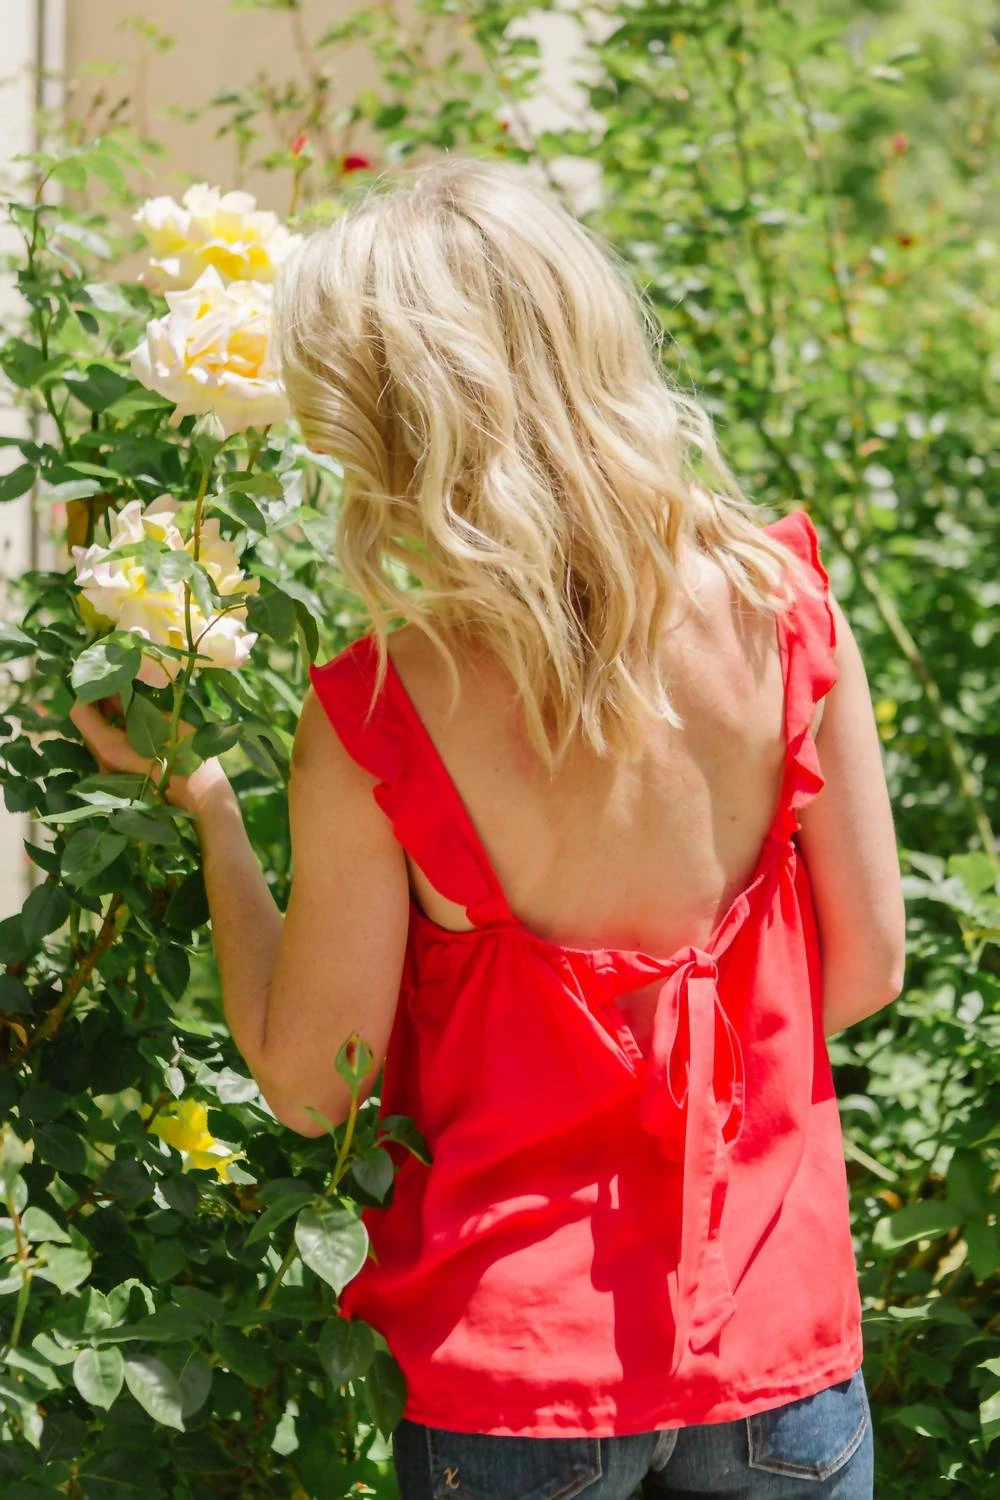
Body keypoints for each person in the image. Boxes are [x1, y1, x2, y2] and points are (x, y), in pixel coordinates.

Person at [73, 156, 905, 1499]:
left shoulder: (384, 710)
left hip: (519, 1379)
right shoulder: (787, 606)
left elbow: (311, 1083)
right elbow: (861, 974)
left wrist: (211, 810)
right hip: (778, 1355)